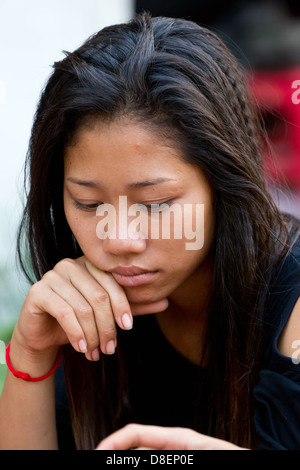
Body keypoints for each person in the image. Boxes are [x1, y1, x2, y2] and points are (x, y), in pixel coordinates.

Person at [0, 12, 300, 451]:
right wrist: (31, 354)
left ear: (224, 186)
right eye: (89, 204)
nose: (119, 239)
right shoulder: (88, 304)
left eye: (156, 204)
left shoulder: (291, 305)